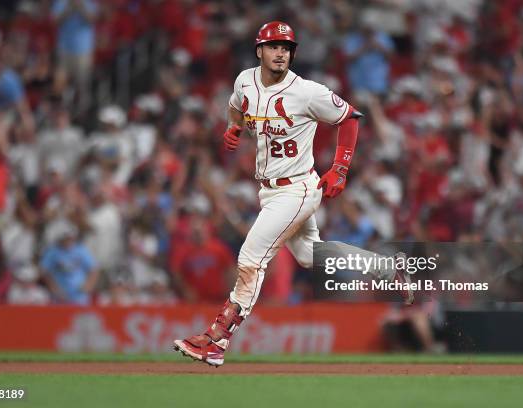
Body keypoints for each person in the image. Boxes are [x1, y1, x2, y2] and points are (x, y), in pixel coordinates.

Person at [174, 21, 414, 367]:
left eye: (286, 47)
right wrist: (234, 127)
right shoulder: (245, 80)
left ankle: (217, 339)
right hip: (269, 191)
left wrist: (340, 168)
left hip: (299, 188)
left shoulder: (307, 92)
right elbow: (235, 105)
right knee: (310, 255)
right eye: (273, 46)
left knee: (250, 260)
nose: (280, 52)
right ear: (259, 50)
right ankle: (388, 270)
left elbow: (350, 118)